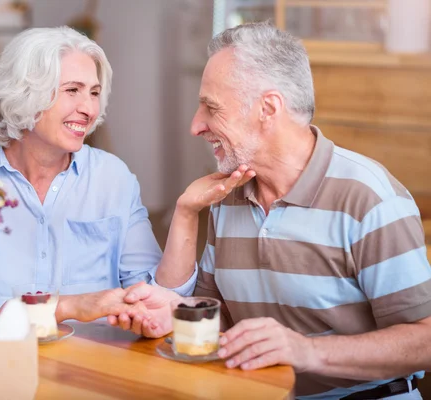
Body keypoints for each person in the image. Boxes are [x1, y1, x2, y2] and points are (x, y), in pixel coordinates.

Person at [109, 22, 431, 399]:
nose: (196, 126)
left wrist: (305, 350)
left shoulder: (369, 197)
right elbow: (224, 318)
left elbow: (424, 339)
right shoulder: (229, 195)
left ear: (268, 108)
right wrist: (179, 312)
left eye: (211, 107)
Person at [0, 26, 195, 333]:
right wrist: (70, 307)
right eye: (73, 90)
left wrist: (186, 214)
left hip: (100, 369)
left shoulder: (113, 178)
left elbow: (154, 296)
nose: (88, 109)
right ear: (23, 91)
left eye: (94, 93)